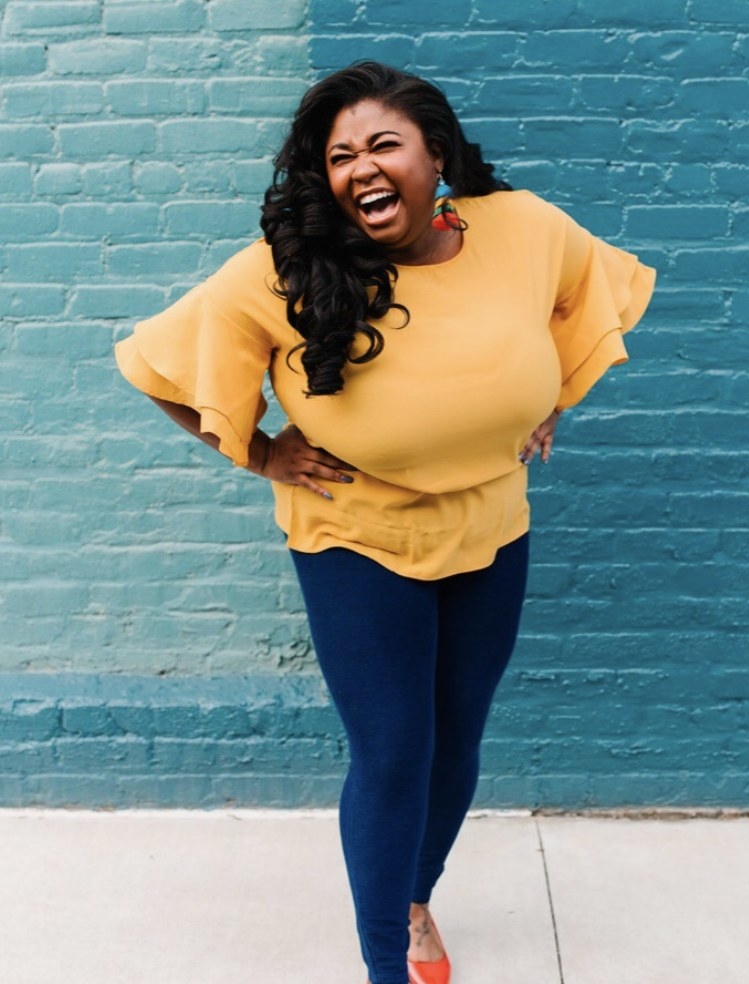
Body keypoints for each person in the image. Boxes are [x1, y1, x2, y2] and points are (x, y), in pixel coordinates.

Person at [115, 61, 655, 984]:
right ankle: (384, 965)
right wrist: (262, 453)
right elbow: (158, 366)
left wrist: (547, 395)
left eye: (382, 145)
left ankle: (413, 899)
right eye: (339, 156)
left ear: (433, 156)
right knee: (395, 748)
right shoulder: (282, 272)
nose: (361, 167)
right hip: (356, 535)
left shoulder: (520, 228)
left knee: (457, 734)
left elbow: (588, 296)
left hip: (491, 523)